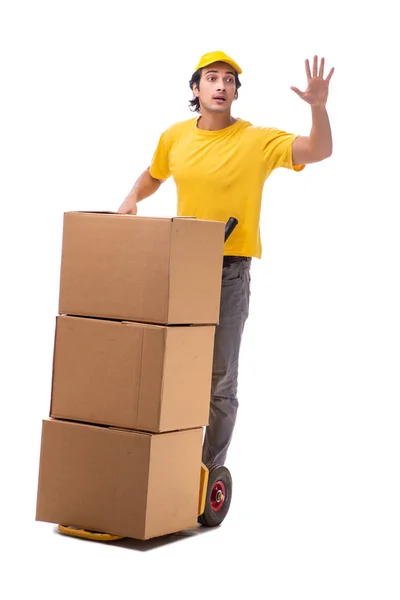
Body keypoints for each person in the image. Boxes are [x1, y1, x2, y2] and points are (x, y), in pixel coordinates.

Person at [118, 50, 334, 468]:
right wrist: (132, 197)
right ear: (195, 89)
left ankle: (206, 472)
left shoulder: (256, 140)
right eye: (213, 78)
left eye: (230, 80)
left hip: (227, 272)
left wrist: (319, 110)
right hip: (177, 265)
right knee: (166, 366)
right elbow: (154, 173)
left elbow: (318, 150)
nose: (222, 86)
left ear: (236, 92)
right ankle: (165, 466)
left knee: (219, 380)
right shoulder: (175, 136)